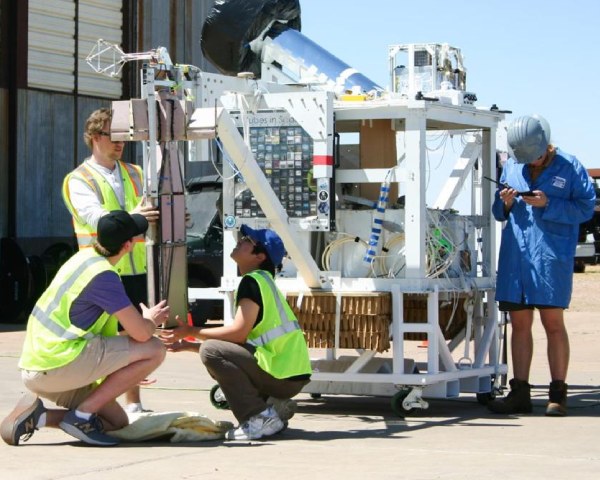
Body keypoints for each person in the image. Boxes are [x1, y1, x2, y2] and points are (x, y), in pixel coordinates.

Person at [0, 211, 169, 447]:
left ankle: (38, 418)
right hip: (58, 365)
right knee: (154, 348)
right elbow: (141, 333)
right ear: (128, 245)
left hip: (41, 365)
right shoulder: (104, 277)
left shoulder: (82, 258)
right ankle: (81, 417)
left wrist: (126, 370)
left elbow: (106, 336)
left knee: (116, 423)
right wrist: (151, 319)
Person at [160, 225, 312, 440]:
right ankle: (272, 405)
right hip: (287, 375)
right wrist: (190, 345)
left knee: (212, 351)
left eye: (249, 239)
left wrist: (190, 331)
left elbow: (238, 335)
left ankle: (258, 417)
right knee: (211, 349)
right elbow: (244, 344)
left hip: (281, 376)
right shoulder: (264, 282)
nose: (241, 239)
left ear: (260, 256)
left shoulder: (252, 282)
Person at [488, 114, 595, 416]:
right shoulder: (512, 164)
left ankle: (558, 394)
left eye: (534, 159)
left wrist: (549, 203)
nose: (531, 164)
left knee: (553, 324)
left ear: (546, 147)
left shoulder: (570, 166)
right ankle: (519, 392)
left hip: (550, 258)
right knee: (519, 325)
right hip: (516, 258)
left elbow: (586, 207)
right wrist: (506, 202)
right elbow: (499, 211)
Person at [62, 107, 159, 413]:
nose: (120, 143)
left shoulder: (136, 173)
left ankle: (132, 405)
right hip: (99, 272)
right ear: (93, 137)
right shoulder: (78, 180)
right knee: (105, 341)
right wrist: (137, 218)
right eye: (112, 136)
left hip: (138, 268)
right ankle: (93, 405)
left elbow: (150, 211)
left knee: (136, 337)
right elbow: (97, 218)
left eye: (123, 137)